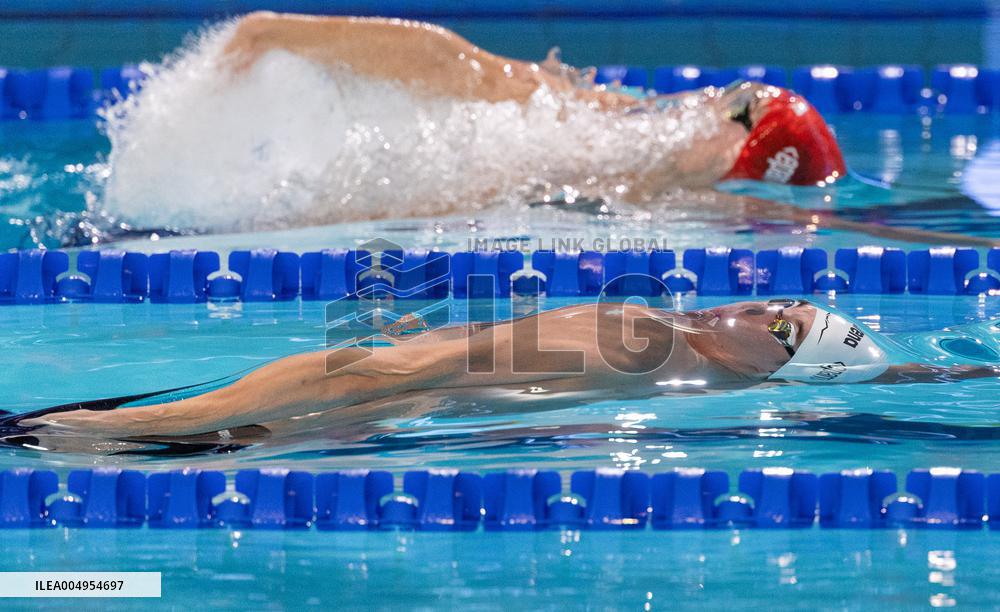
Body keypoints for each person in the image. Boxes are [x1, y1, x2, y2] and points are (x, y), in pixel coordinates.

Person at [6, 299, 996, 453]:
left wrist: (140, 430)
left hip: (306, 411)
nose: (747, 307)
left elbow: (373, 376)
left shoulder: (645, 343)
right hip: (317, 423)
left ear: (772, 368)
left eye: (776, 325)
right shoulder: (659, 358)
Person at [223, 12, 846, 191]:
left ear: (743, 152)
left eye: (738, 109)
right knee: (492, 79)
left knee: (490, 78)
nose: (710, 100)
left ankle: (272, 33)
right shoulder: (636, 140)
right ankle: (271, 33)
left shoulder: (650, 152)